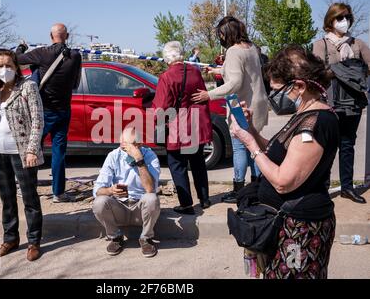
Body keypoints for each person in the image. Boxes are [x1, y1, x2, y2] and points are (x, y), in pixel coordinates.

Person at [231, 45, 339, 279]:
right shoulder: (305, 115)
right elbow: (279, 150)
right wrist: (249, 128)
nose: (274, 97)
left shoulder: (316, 123)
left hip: (300, 230)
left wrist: (250, 144)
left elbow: (283, 181)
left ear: (299, 86)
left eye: (278, 90)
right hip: (286, 224)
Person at [192, 16, 268, 203]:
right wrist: (217, 71)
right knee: (254, 148)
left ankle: (238, 190)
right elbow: (243, 73)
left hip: (241, 108)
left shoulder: (234, 51)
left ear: (227, 33)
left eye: (221, 34)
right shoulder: (251, 48)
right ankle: (257, 187)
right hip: (257, 104)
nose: (221, 37)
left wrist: (208, 94)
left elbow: (235, 82)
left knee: (240, 148)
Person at [0, 49, 44, 262]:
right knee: (7, 199)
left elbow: (38, 120)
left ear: (16, 68)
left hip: (23, 153)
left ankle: (34, 241)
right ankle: (11, 238)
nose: (5, 69)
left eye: (8, 65)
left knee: (30, 198)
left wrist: (32, 149)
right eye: (0, 66)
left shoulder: (28, 87)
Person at [16, 23, 82, 203]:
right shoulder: (75, 56)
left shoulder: (42, 53)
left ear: (50, 35)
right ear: (67, 36)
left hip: (43, 111)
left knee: (32, 148)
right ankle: (58, 193)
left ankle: (26, 188)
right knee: (59, 151)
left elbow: (17, 59)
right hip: (63, 110)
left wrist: (22, 47)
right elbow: (76, 82)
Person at [313, 3, 370, 204]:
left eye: (346, 17)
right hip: (330, 102)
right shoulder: (321, 44)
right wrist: (340, 69)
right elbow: (317, 73)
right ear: (331, 20)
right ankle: (322, 189)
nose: (344, 21)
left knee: (348, 145)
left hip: (353, 102)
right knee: (327, 147)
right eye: (340, 17)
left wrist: (356, 72)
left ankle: (347, 187)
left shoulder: (358, 44)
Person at [153, 41, 213, 215]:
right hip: (196, 124)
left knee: (177, 165)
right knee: (198, 162)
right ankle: (205, 199)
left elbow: (162, 106)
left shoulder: (167, 76)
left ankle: (186, 204)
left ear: (167, 58)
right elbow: (203, 96)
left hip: (178, 127)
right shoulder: (194, 71)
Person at [92, 127, 161, 257]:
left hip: (141, 210)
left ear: (139, 144)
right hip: (120, 207)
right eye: (123, 146)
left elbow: (151, 189)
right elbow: (98, 190)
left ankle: (146, 238)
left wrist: (139, 160)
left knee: (152, 198)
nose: (125, 150)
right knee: (99, 202)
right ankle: (115, 236)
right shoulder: (114, 156)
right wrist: (110, 190)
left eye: (129, 147)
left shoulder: (150, 156)